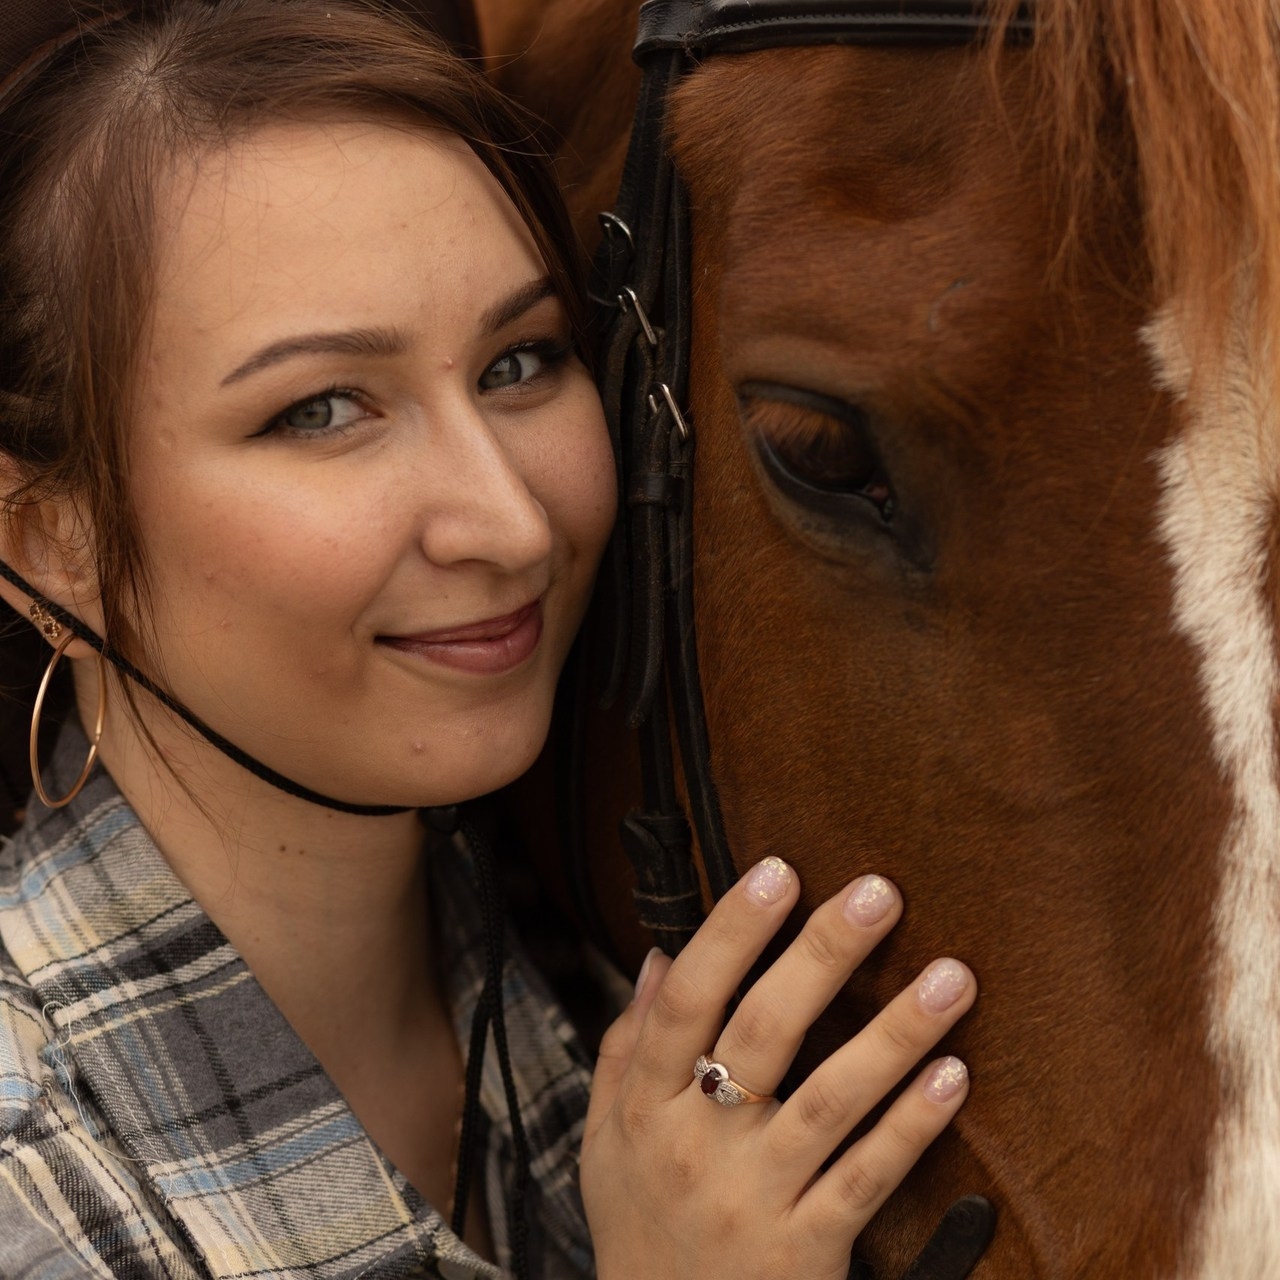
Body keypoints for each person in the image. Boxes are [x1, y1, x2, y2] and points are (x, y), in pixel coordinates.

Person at [0, 1, 977, 1277]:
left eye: (519, 361)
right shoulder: (35, 1179)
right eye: (323, 408)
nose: (509, 522)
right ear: (41, 536)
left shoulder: (605, 948)